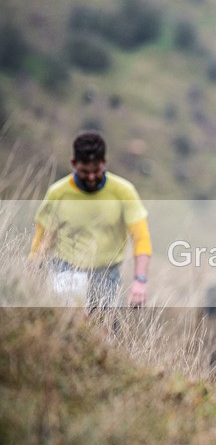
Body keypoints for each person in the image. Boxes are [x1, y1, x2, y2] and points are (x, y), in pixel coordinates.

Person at [30, 131, 152, 310]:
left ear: (104, 162)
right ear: (73, 164)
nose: (91, 177)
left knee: (103, 324)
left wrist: (140, 280)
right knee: (69, 320)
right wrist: (33, 271)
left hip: (106, 273)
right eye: (84, 171)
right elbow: (42, 239)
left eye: (96, 170)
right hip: (66, 269)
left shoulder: (124, 191)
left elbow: (141, 238)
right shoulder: (58, 193)